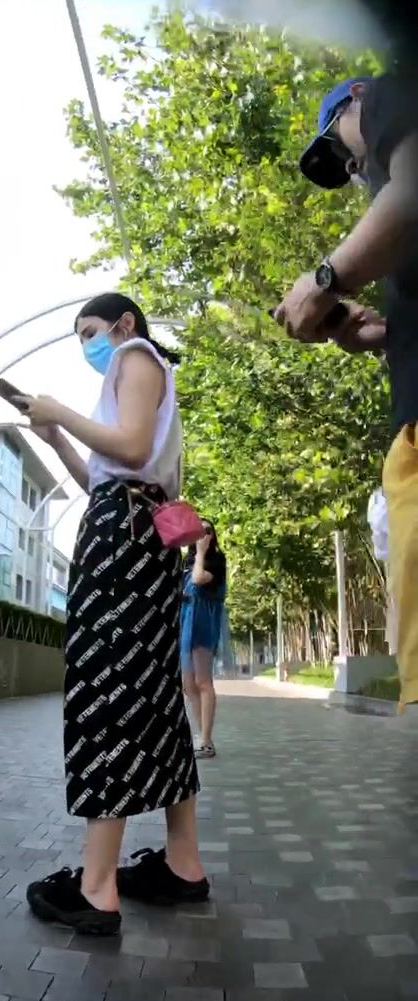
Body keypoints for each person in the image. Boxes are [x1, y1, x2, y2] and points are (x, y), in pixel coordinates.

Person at [7, 292, 208, 935]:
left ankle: (97, 888)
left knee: (106, 688)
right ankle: (182, 864)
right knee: (155, 694)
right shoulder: (137, 372)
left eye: (89, 331)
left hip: (121, 542)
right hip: (138, 531)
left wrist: (60, 411)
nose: (86, 345)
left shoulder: (135, 354)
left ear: (122, 324)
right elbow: (104, 476)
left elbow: (132, 447)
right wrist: (56, 435)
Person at [274, 73, 418, 712]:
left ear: (356, 99)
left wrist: (325, 280)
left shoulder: (389, 93)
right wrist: (381, 336)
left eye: (339, 148)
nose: (353, 168)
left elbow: (412, 193)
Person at [181, 520, 226, 759]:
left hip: (204, 623)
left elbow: (199, 579)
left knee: (203, 681)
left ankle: (206, 741)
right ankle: (202, 737)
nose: (202, 534)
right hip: (186, 622)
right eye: (198, 530)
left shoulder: (216, 560)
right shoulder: (186, 562)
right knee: (188, 685)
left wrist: (200, 552)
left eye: (207, 531)